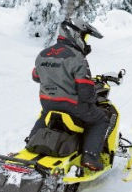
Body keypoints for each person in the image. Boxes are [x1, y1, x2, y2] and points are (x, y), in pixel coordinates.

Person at [30, 19, 114, 171]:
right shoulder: (77, 57)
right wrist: (93, 99)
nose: (85, 42)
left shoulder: (42, 54)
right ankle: (90, 156)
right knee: (101, 119)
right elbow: (86, 93)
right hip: (73, 106)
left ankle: (31, 143)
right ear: (75, 34)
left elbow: (36, 77)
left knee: (44, 115)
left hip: (48, 103)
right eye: (84, 37)